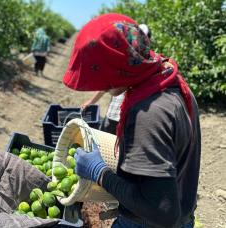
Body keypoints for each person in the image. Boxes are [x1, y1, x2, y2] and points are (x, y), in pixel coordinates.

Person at [63, 13, 201, 228]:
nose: (103, 86)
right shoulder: (170, 82)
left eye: (101, 73)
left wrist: (99, 172)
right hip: (184, 216)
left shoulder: (148, 115)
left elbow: (162, 212)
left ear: (118, 64)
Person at [80, 24, 149, 135]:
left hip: (128, 118)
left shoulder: (145, 68)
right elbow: (109, 85)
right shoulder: (123, 59)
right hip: (113, 115)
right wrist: (92, 101)